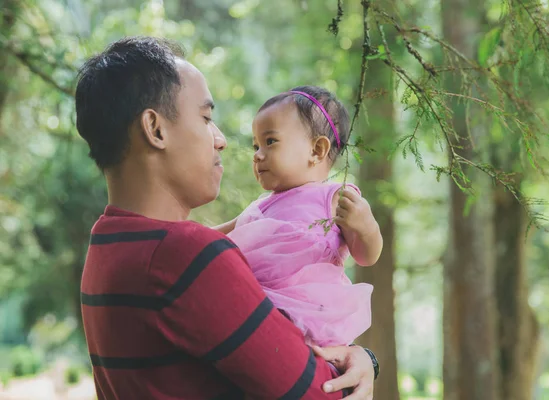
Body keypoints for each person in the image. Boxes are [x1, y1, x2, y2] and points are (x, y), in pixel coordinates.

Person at [76, 36, 376, 399]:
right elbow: (319, 394)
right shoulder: (186, 256)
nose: (220, 140)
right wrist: (363, 362)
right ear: (156, 129)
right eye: (205, 118)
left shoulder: (109, 240)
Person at [215, 86, 382, 348]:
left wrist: (366, 228)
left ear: (317, 150)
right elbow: (216, 236)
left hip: (307, 316)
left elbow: (366, 256)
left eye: (270, 142)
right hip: (255, 307)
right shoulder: (260, 207)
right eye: (256, 145)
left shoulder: (335, 198)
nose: (258, 155)